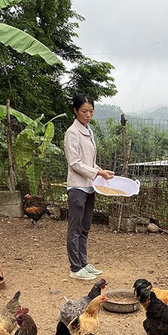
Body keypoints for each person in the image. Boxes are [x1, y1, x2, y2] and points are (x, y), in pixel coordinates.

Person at [64, 94, 114, 280]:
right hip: (77, 187)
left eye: (91, 111)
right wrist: (97, 173)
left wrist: (101, 171)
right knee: (75, 229)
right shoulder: (72, 132)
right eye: (84, 111)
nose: (88, 115)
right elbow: (75, 163)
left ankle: (83, 263)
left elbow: (89, 161)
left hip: (89, 186)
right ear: (75, 111)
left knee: (85, 228)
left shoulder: (88, 131)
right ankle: (75, 268)